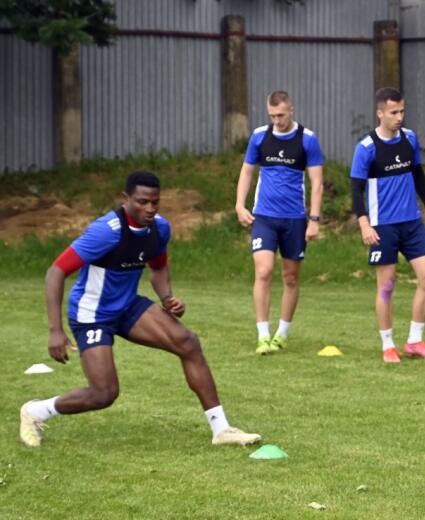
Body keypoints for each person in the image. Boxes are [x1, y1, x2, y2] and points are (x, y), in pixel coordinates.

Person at [20, 171, 261, 448]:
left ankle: (222, 430)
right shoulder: (105, 231)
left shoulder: (159, 229)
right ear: (126, 199)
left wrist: (168, 297)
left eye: (155, 202)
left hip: (128, 306)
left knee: (188, 343)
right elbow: (55, 271)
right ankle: (35, 411)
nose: (149, 208)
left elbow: (158, 267)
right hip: (92, 315)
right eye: (142, 202)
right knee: (104, 393)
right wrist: (55, 330)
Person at [351, 87, 425, 364]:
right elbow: (355, 189)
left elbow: (418, 175)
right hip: (382, 226)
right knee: (387, 285)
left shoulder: (409, 139)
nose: (399, 117)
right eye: (393, 112)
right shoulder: (366, 148)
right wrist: (364, 224)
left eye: (402, 111)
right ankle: (388, 344)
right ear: (380, 113)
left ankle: (415, 340)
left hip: (411, 222)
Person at [235, 90, 324, 355]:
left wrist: (314, 219)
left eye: (281, 115)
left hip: (295, 219)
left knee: (291, 277)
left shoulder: (307, 140)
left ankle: (282, 334)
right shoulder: (260, 136)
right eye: (273, 116)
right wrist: (240, 205)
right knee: (263, 271)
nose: (277, 121)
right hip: (264, 217)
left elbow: (317, 183)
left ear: (291, 109)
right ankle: (263, 335)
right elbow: (247, 171)